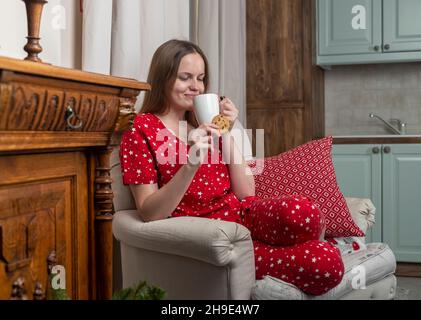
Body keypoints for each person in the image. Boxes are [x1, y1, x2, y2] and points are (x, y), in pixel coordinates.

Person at [119, 39, 344, 296]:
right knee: (327, 262)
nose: (195, 87)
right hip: (216, 237)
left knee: (305, 212)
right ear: (163, 78)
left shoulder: (202, 123)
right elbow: (149, 212)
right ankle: (276, 261)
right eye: (185, 77)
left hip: (241, 215)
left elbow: (247, 192)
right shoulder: (140, 129)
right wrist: (190, 165)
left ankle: (275, 257)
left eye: (201, 78)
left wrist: (225, 129)